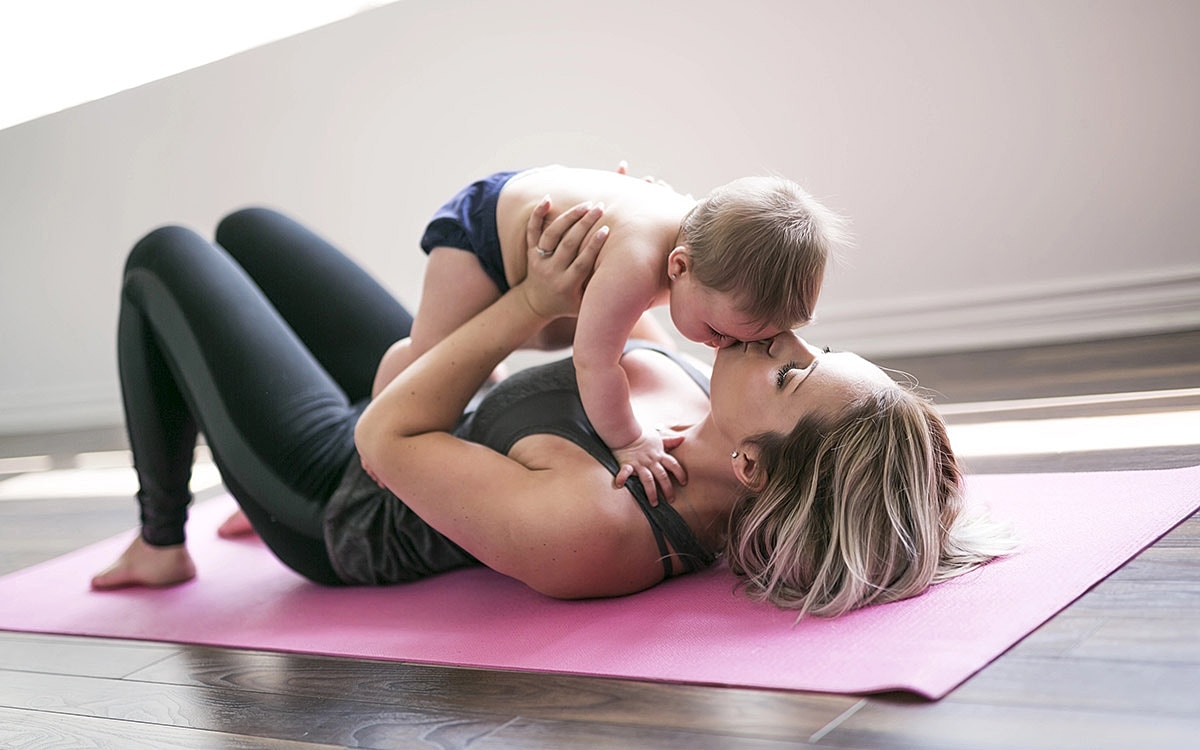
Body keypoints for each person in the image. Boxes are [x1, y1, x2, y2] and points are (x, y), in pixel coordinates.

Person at [92, 203, 1011, 617]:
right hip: (438, 409)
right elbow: (556, 361)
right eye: (816, 348)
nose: (784, 340)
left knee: (162, 255)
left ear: (753, 468)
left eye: (792, 374)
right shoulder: (700, 416)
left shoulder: (601, 527)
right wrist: (592, 258)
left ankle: (161, 540)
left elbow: (383, 440)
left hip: (345, 494)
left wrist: (530, 302)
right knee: (253, 230)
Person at [378, 165, 846, 502]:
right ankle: (383, 415)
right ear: (677, 266)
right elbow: (595, 362)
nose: (724, 346)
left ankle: (483, 374)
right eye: (718, 331)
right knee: (432, 359)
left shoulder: (700, 236)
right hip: (481, 234)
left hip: (533, 214)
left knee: (522, 343)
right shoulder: (636, 264)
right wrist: (627, 440)